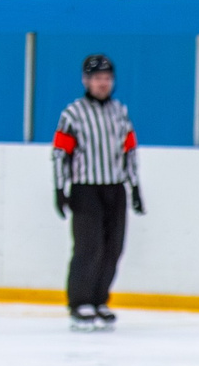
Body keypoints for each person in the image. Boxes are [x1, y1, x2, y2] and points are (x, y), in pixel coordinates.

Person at [51, 53, 142, 332]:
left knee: (113, 247)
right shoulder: (73, 113)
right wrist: (59, 187)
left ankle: (100, 299)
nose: (103, 84)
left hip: (115, 187)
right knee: (89, 247)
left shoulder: (120, 111)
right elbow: (59, 153)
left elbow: (129, 150)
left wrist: (135, 186)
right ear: (86, 81)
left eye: (107, 79)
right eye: (97, 79)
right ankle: (80, 302)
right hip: (85, 188)